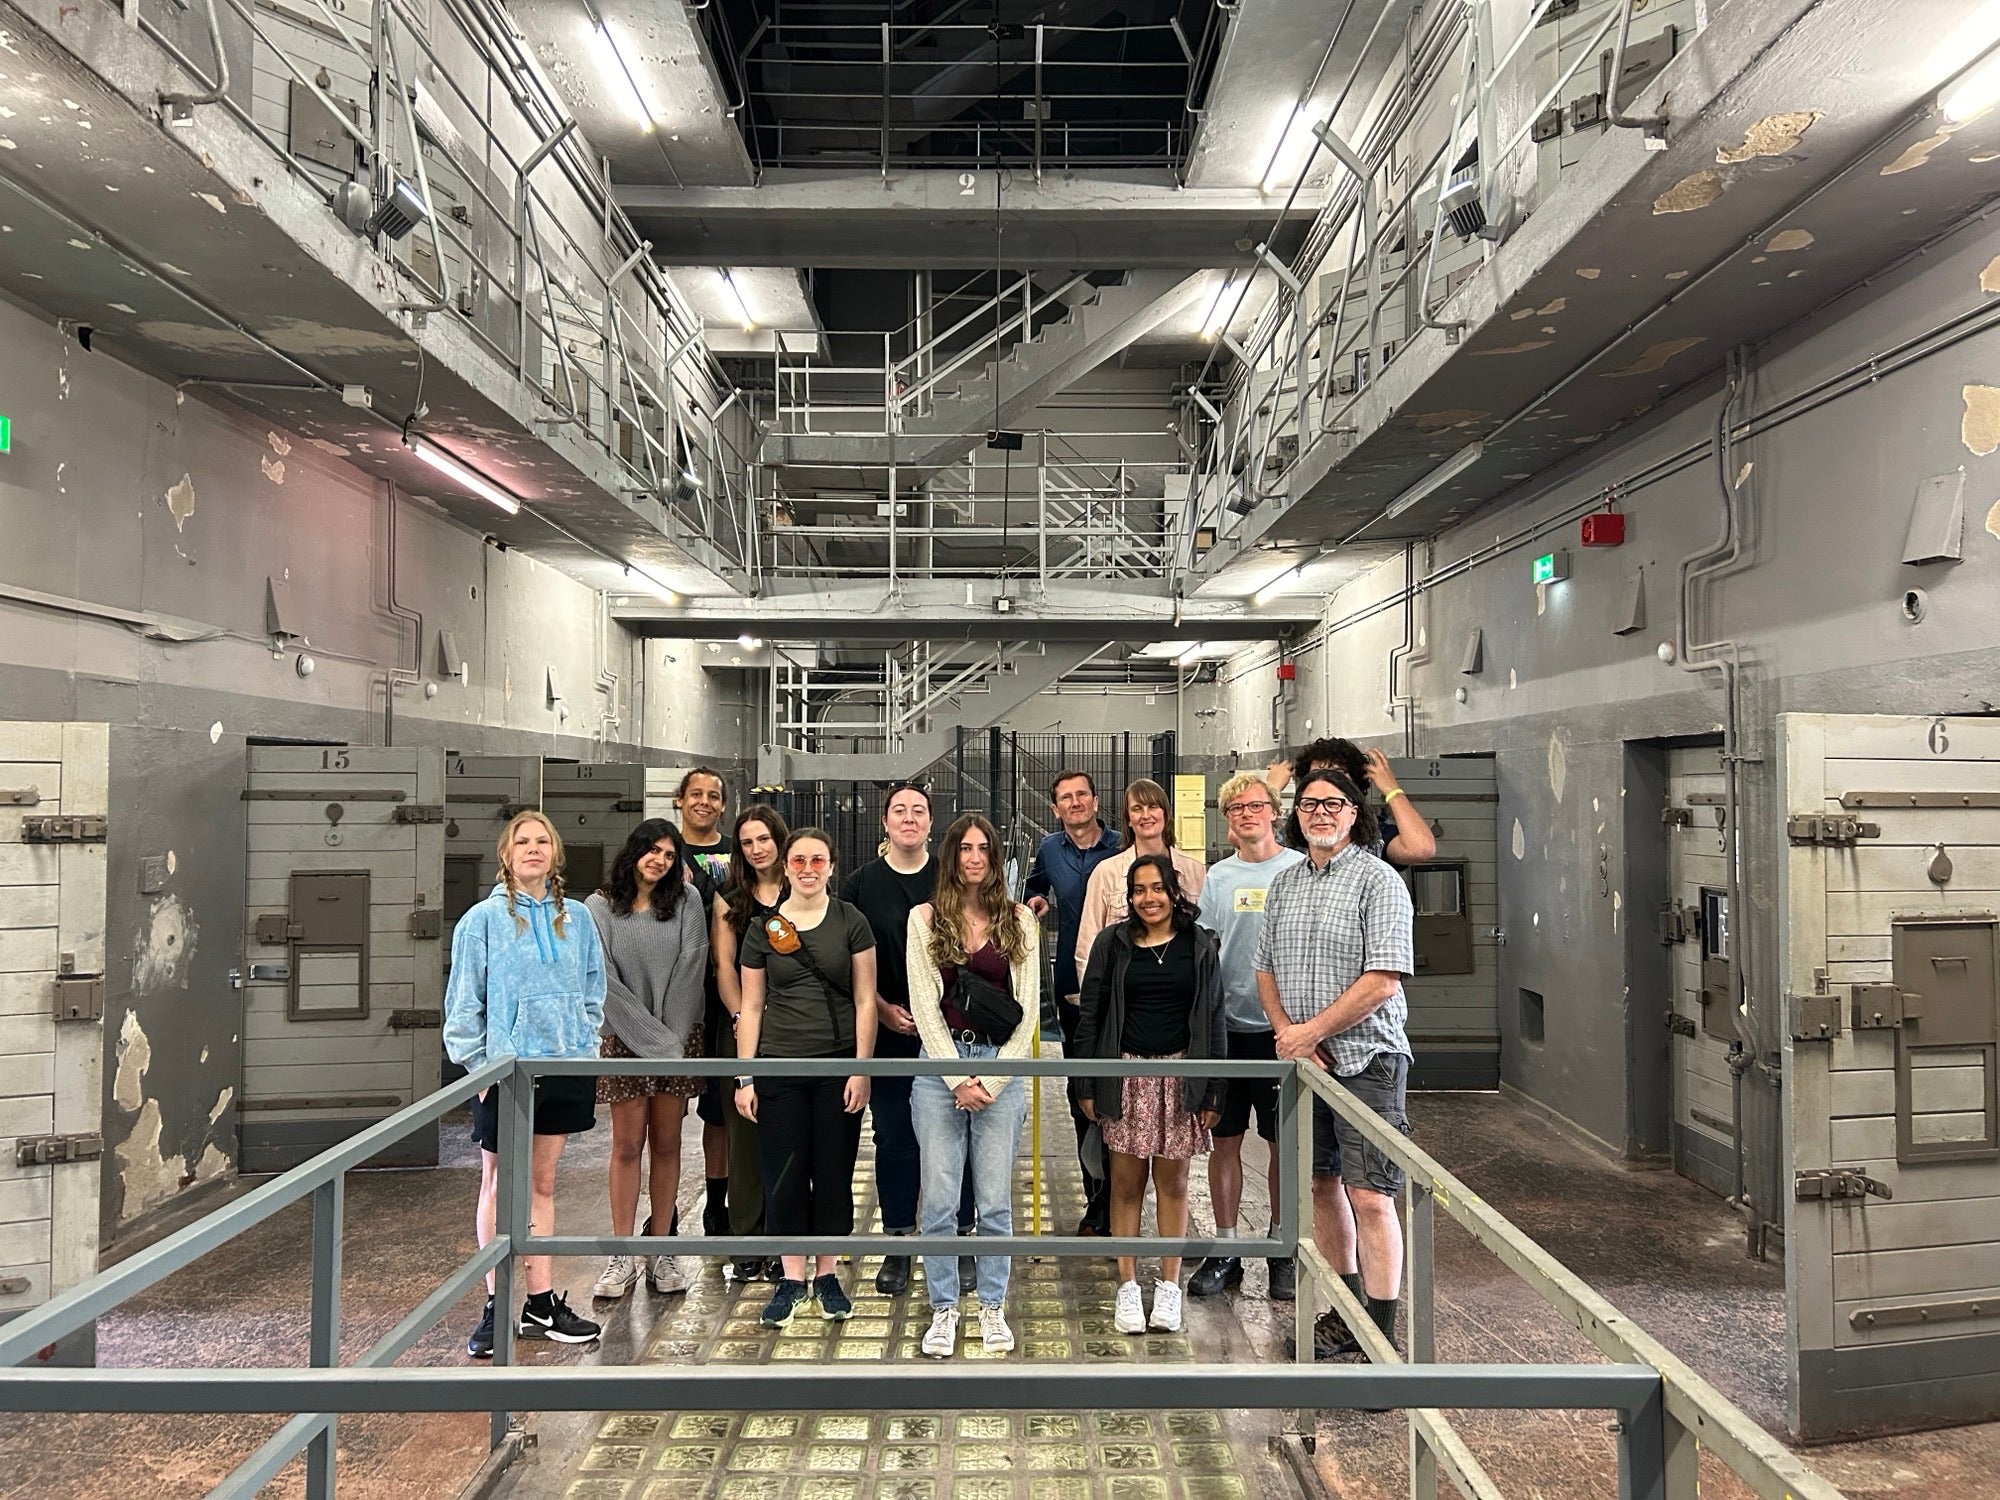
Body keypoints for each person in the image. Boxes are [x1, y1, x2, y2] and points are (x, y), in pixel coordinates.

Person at [1255, 767, 1416, 1357]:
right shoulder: (1287, 884)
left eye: (1332, 804)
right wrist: (1288, 1035)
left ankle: (1379, 1333)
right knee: (1323, 1186)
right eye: (1308, 804)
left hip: (1366, 1061)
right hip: (1306, 1065)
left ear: (1355, 813)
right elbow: (1264, 968)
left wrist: (1312, 1033)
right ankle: (1345, 1315)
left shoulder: (1379, 881)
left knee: (1371, 1195)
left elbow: (1383, 978)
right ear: (1295, 815)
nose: (1319, 813)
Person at [445, 810, 606, 1359]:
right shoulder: (481, 921)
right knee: (496, 1183)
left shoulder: (578, 918)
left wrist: (584, 1047)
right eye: (523, 841)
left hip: (563, 1066)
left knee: (541, 1186)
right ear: (506, 854)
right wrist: (478, 1068)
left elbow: (592, 990)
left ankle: (541, 1302)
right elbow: (464, 1002)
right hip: (507, 1072)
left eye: (543, 841)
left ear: (555, 854)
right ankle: (497, 1303)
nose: (533, 849)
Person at [905, 813, 1040, 1358]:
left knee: (994, 1202)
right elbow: (923, 1005)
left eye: (984, 848)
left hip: (999, 1068)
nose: (974, 857)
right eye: (964, 848)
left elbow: (1029, 1013)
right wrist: (957, 1076)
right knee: (938, 1200)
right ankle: (943, 1309)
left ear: (996, 856)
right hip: (940, 1071)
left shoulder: (1020, 921)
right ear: (951, 856)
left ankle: (991, 1306)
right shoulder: (924, 918)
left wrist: (993, 1076)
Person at [734, 827, 880, 1327]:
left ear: (832, 866)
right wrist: (745, 1077)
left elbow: (866, 1000)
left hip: (837, 1064)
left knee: (834, 1170)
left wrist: (861, 1069)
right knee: (784, 1171)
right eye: (799, 861)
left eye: (818, 860)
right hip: (779, 1065)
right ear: (786, 867)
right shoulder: (764, 929)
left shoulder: (850, 921)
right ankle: (792, 1277)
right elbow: (751, 1005)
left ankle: (827, 1274)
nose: (808, 869)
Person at [1076, 855, 1225, 1337]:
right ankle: (1125, 1285)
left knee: (1174, 1184)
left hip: (1182, 1077)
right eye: (1139, 890)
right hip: (1126, 1076)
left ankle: (1167, 1287)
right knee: (1124, 1184)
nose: (1148, 898)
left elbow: (1214, 1019)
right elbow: (1091, 1015)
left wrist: (1212, 1091)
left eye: (1157, 888)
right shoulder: (1112, 943)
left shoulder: (1199, 945)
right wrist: (1086, 1084)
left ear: (1174, 890)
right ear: (1129, 896)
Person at [1189, 772, 1304, 1303]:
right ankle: (1227, 1246)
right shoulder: (1219, 877)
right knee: (1225, 1140)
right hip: (1229, 1031)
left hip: (1285, 1033)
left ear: (1274, 811)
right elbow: (1208, 948)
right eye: (1234, 809)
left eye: (1254, 805)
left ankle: (1280, 1246)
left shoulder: (1300, 870)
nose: (1245, 814)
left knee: (1283, 1144)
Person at [585, 820, 708, 1301]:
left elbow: (692, 964)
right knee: (626, 1145)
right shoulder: (597, 907)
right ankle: (621, 1253)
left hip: (676, 1039)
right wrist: (647, 1038)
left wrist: (668, 1042)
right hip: (624, 1040)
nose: (659, 860)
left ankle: (662, 1249)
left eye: (669, 853)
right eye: (651, 851)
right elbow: (605, 979)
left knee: (668, 1143)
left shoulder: (687, 903)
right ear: (633, 851)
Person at [839, 782, 935, 1296]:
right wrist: (880, 1009)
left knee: (951, 1138)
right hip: (889, 1031)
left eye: (918, 811)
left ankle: (955, 1241)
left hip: (947, 1032)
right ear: (885, 821)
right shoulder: (858, 885)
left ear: (930, 822)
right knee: (894, 1139)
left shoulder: (949, 877)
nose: (909, 818)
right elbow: (849, 961)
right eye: (900, 810)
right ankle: (899, 1240)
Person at [1023, 770, 1122, 1236]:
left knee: (1126, 1088)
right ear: (1055, 808)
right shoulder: (1048, 850)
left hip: (1126, 985)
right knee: (1082, 1088)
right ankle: (1097, 1200)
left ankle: (1127, 1196)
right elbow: (1033, 888)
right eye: (1066, 797)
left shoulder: (1123, 847)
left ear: (1097, 801)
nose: (1076, 803)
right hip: (1073, 985)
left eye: (1082, 794)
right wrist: (1038, 899)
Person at [711, 804, 790, 1284]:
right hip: (740, 1029)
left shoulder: (802, 889)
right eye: (746, 842)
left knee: (787, 1139)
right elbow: (724, 967)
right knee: (743, 1139)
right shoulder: (728, 897)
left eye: (764, 839)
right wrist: (742, 1020)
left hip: (793, 1034)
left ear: (779, 840)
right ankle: (747, 1241)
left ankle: (786, 1243)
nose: (757, 849)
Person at [675, 767, 736, 1241]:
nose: (704, 802)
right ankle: (664, 1210)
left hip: (720, 997)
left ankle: (717, 1204)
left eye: (713, 795)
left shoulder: (739, 853)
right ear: (680, 800)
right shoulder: (660, 849)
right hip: (672, 999)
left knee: (718, 1109)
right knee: (666, 1112)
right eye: (696, 794)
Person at [1074, 778, 1208, 992]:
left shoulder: (1195, 871)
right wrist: (1096, 1003)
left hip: (1183, 992)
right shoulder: (1106, 873)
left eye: (1153, 806)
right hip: (1124, 993)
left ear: (1165, 813)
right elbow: (1087, 946)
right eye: (1137, 808)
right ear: (1128, 819)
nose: (1146, 815)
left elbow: (1206, 940)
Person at [1265, 738, 1437, 865]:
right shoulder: (1289, 833)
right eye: (1317, 774)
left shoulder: (1373, 835)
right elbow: (1244, 843)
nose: (1327, 783)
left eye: (1338, 774)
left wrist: (1392, 791)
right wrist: (1269, 792)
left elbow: (1420, 848)